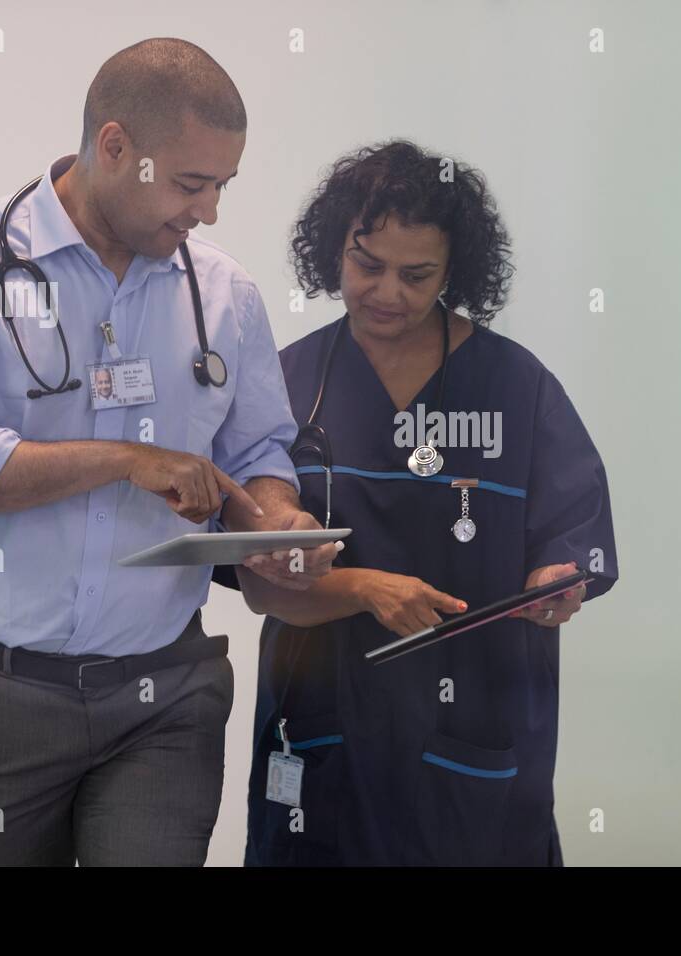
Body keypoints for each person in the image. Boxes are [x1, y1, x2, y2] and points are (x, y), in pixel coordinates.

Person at [0, 38, 337, 866]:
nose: (207, 212)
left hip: (164, 695)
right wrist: (126, 459)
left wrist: (275, 518)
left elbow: (262, 448)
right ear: (115, 147)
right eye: (190, 184)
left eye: (221, 187)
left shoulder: (224, 292)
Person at [214, 140, 618, 866]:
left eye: (417, 274)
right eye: (367, 264)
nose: (387, 292)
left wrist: (556, 582)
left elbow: (573, 542)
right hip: (319, 721)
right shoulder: (289, 382)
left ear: (453, 273)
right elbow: (256, 576)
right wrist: (363, 590)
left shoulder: (515, 389)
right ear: (334, 248)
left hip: (474, 730)